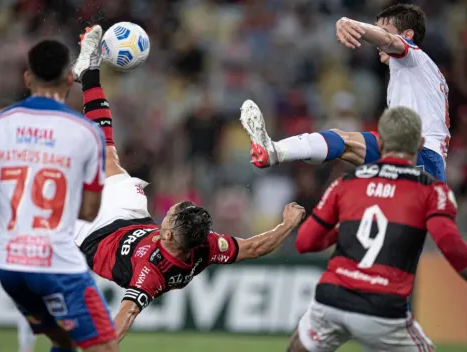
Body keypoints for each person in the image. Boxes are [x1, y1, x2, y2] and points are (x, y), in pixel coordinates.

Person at [71, 25, 306, 342]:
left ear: (167, 233)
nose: (168, 211)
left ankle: (65, 87)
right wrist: (287, 225)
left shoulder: (149, 274)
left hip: (92, 236)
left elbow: (124, 318)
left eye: (170, 215)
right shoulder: (207, 246)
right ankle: (89, 69)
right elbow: (253, 247)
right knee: (106, 153)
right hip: (131, 217)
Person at [287, 106, 467, 352]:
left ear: (379, 141)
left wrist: (347, 229)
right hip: (382, 308)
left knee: (299, 345)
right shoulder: (432, 190)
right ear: (420, 143)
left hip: (332, 297)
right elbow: (449, 244)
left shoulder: (347, 183)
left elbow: (305, 242)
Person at [0, 40, 118, 352]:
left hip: (9, 266)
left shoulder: (1, 125)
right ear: (69, 80)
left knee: (63, 340)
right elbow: (90, 212)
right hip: (56, 264)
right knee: (105, 346)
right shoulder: (85, 133)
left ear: (27, 78)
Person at [240, 4, 450, 182]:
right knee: (342, 142)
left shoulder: (414, 58)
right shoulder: (419, 73)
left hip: (422, 156)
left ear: (407, 36)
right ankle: (274, 151)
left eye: (384, 31)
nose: (377, 43)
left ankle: (275, 152)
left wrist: (351, 23)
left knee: (346, 145)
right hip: (407, 152)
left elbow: (391, 42)